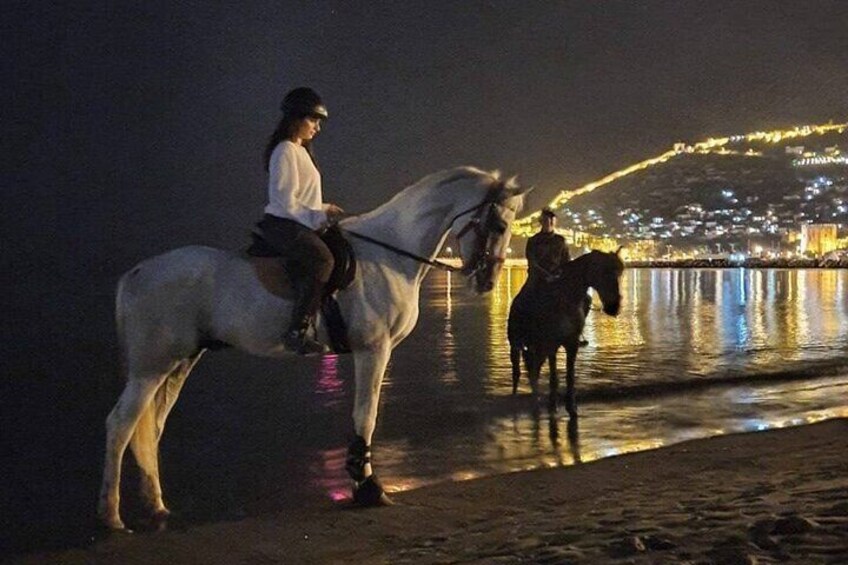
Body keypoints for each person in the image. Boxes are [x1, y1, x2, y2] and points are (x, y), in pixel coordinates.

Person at [257, 87, 344, 354]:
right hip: (283, 223)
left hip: (300, 220)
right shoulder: (285, 150)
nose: (317, 127)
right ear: (296, 119)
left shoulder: (300, 151)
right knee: (323, 260)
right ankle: (297, 330)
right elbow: (285, 201)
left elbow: (305, 199)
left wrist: (325, 209)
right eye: (313, 120)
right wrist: (319, 215)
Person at [525, 208, 570, 285]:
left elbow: (566, 261)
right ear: (541, 222)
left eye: (552, 220)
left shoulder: (560, 240)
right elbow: (533, 264)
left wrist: (558, 275)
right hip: (537, 281)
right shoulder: (533, 241)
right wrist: (547, 276)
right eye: (546, 220)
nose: (550, 222)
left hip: (558, 278)